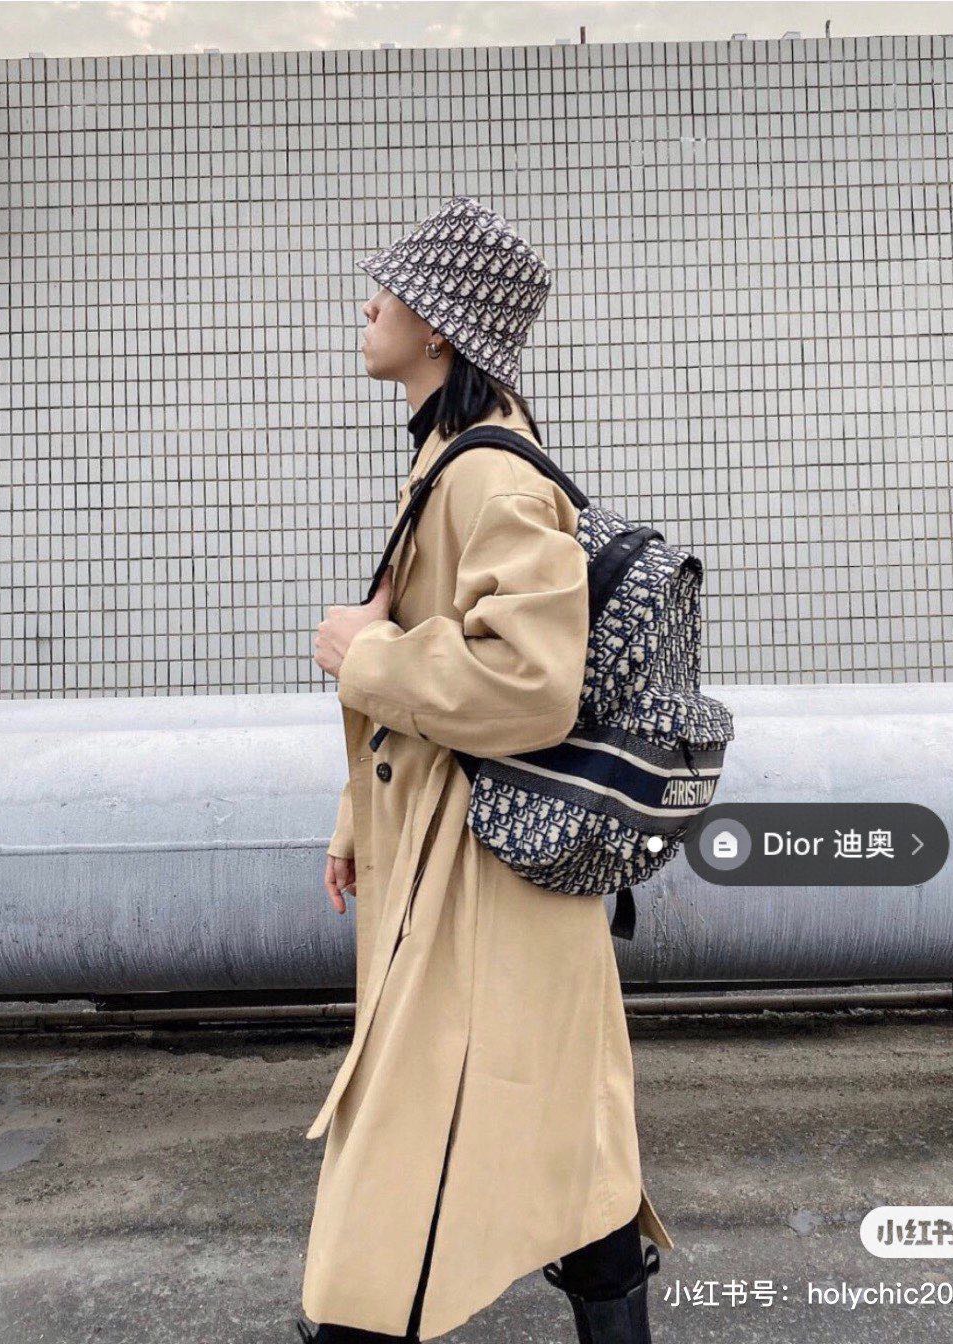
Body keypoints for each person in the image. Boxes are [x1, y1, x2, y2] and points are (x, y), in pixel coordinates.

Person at [299, 195, 672, 1344]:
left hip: (482, 888)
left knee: (394, 1192)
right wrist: (356, 816)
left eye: (391, 290)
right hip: (476, 879)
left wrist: (366, 655)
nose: (368, 305)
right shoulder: (447, 460)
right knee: (567, 1154)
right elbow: (442, 689)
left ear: (440, 328)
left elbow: (528, 682)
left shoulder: (489, 479)